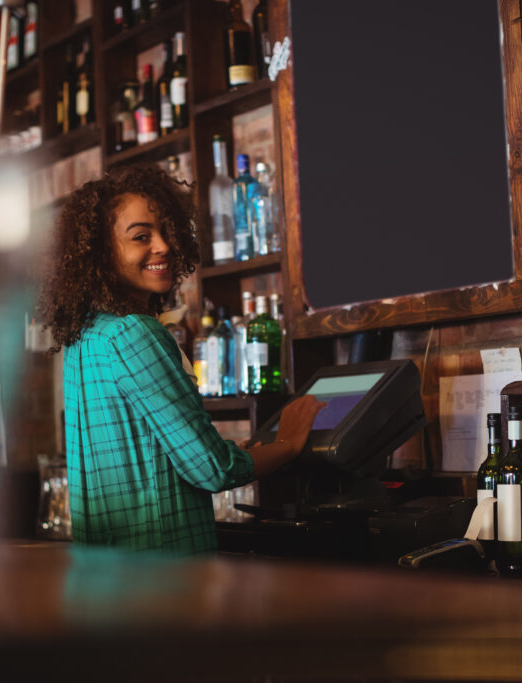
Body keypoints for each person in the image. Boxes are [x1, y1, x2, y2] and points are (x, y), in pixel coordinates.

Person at [40, 165, 324, 555]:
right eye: (141, 236)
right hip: (164, 578)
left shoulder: (87, 338)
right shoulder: (135, 333)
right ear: (101, 252)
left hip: (108, 580)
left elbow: (144, 453)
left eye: (167, 232)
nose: (164, 246)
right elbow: (212, 470)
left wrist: (223, 449)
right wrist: (289, 443)